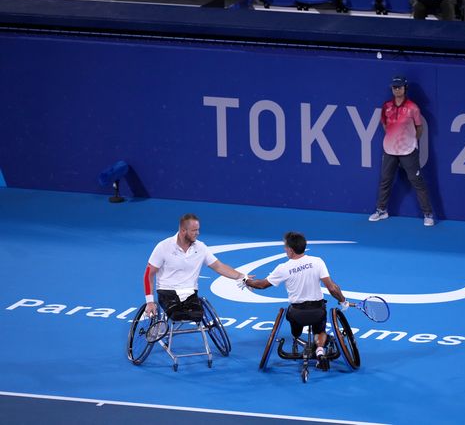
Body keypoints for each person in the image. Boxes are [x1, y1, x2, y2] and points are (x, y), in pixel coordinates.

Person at [237, 231, 349, 371]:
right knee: (319, 330)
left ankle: (297, 336)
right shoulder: (317, 261)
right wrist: (343, 301)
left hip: (297, 313)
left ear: (290, 250)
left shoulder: (283, 268)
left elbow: (261, 285)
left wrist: (245, 280)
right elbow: (332, 288)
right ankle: (320, 349)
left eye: (285, 247)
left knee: (295, 331)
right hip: (317, 311)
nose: (284, 249)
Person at [143, 213, 250, 319]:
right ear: (183, 231)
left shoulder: (200, 247)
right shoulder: (163, 246)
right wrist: (150, 301)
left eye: (198, 230)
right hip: (167, 292)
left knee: (198, 315)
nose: (198, 233)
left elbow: (218, 266)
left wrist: (241, 276)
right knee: (177, 315)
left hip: (190, 293)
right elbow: (148, 274)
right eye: (194, 230)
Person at [369, 75, 435, 226]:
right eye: (394, 87)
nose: (396, 89)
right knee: (385, 180)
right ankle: (381, 210)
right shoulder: (386, 106)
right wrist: (393, 138)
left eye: (399, 87)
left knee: (417, 182)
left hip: (409, 150)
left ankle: (428, 214)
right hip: (389, 150)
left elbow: (419, 128)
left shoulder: (413, 108)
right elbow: (385, 125)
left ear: (405, 88)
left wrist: (410, 140)